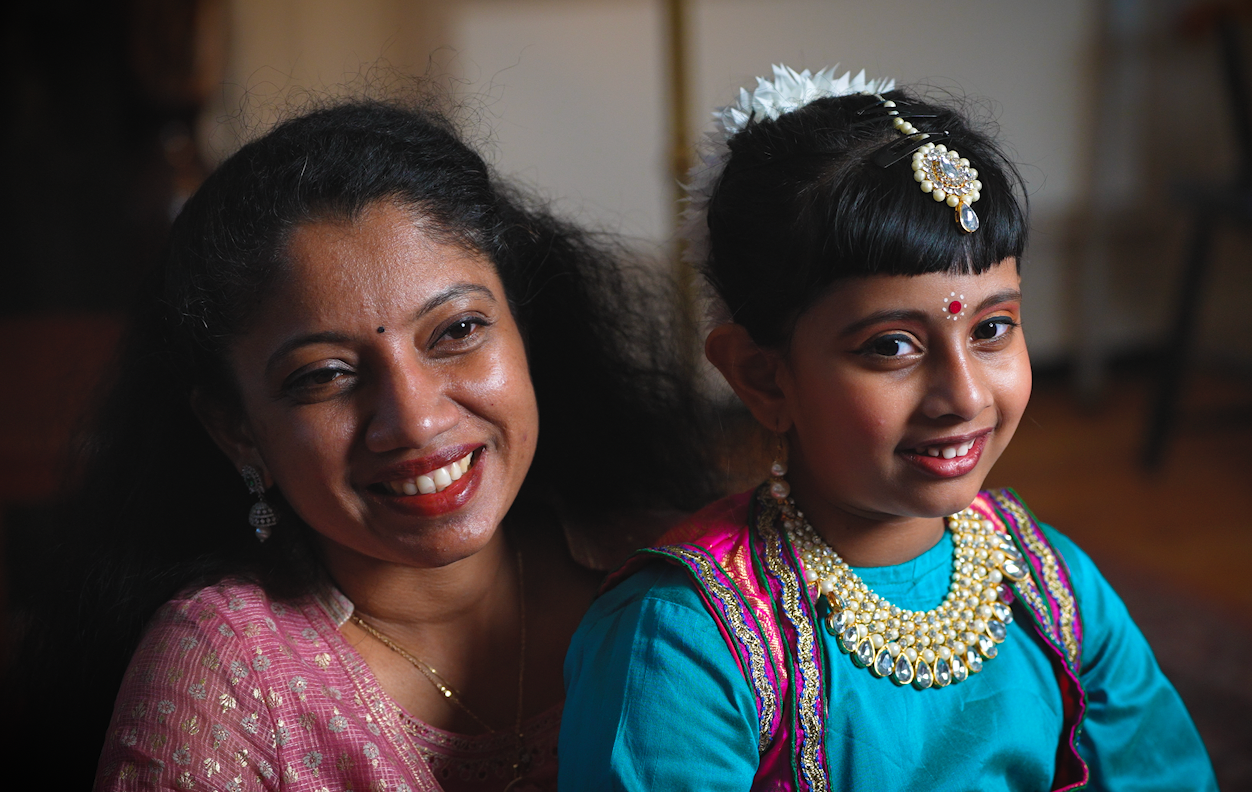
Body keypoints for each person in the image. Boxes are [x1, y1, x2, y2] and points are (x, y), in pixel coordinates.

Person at [9, 99, 716, 791]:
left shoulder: (686, 581)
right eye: (324, 376)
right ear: (236, 429)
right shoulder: (222, 676)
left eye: (458, 331)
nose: (413, 422)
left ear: (525, 327)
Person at [558, 66, 1218, 791]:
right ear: (762, 376)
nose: (963, 396)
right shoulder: (687, 639)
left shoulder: (1050, 582)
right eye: (892, 346)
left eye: (993, 328)